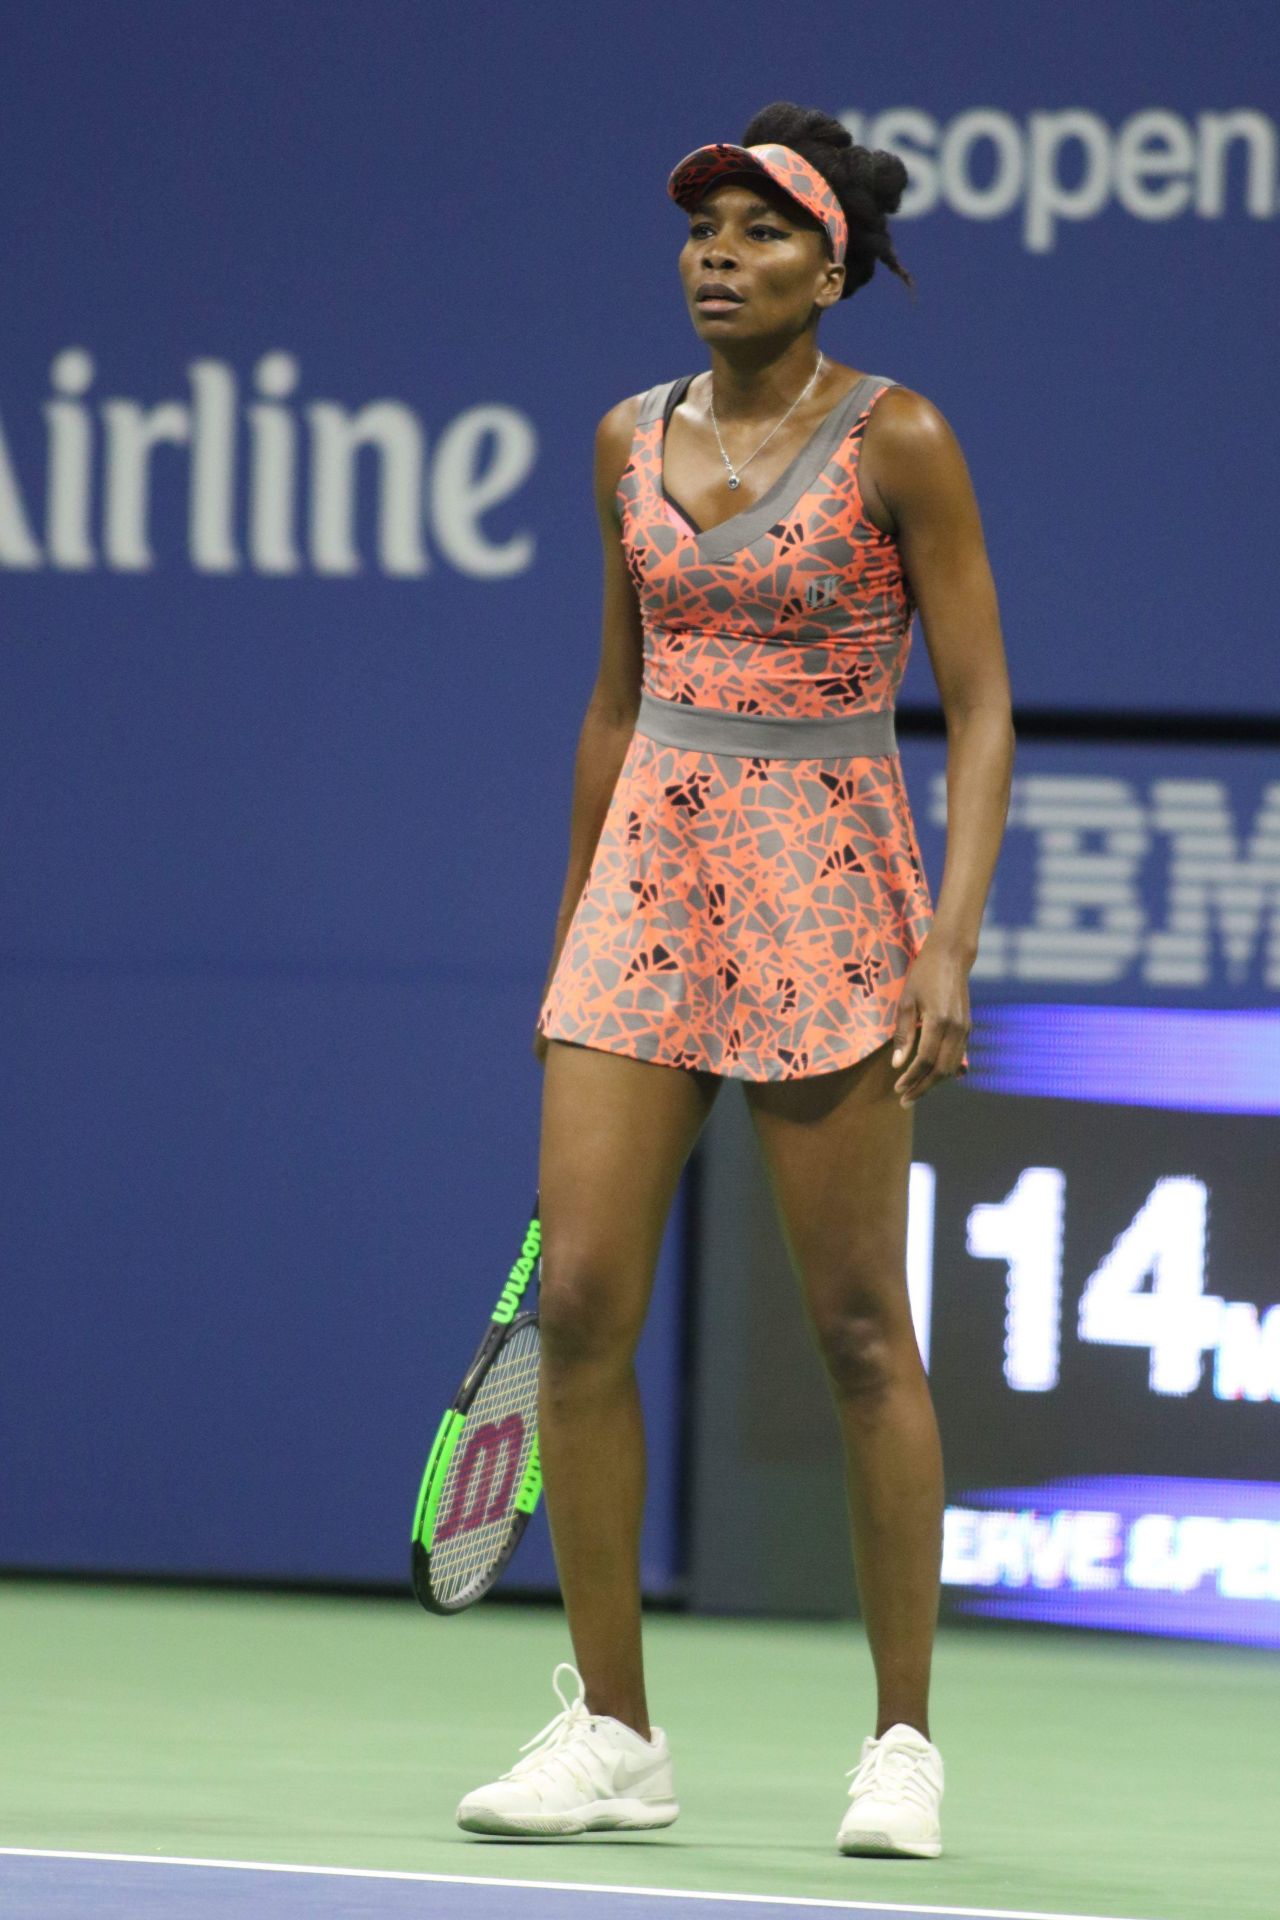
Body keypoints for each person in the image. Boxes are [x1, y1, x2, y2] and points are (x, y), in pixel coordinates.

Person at [456, 99, 1014, 1858]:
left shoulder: (900, 437)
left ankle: (903, 1744)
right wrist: (573, 937)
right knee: (582, 1312)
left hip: (831, 889)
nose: (719, 253)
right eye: (702, 227)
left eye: (761, 230)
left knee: (860, 1332)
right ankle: (616, 1733)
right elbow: (613, 704)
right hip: (646, 892)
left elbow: (985, 707)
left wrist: (949, 937)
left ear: (830, 261)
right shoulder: (626, 435)